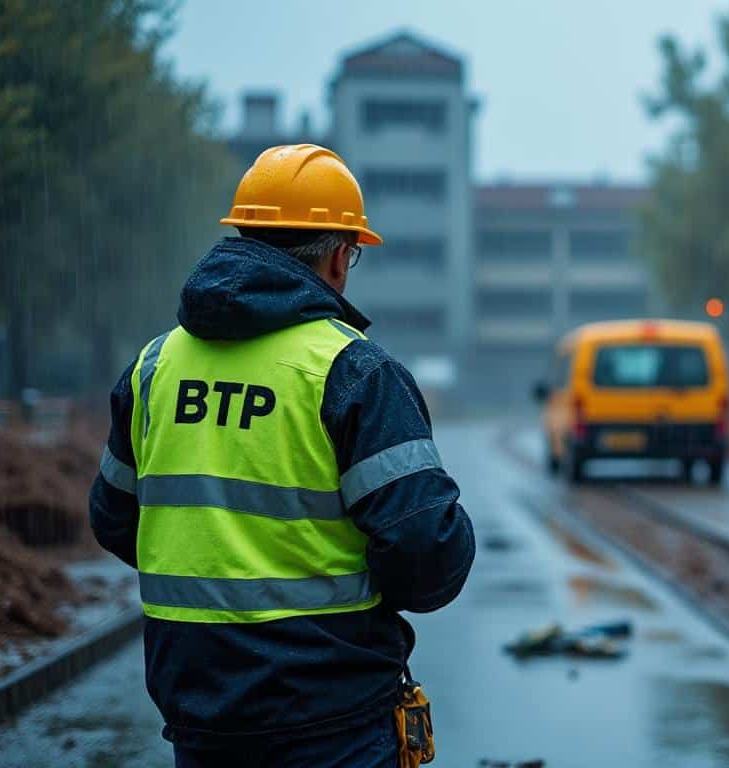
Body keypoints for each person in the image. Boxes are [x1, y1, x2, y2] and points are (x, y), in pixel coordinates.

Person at [89, 144, 475, 767]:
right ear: (337, 255)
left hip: (198, 715)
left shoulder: (154, 367)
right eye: (352, 253)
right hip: (332, 721)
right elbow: (427, 554)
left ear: (243, 237)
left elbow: (115, 520)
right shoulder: (353, 372)